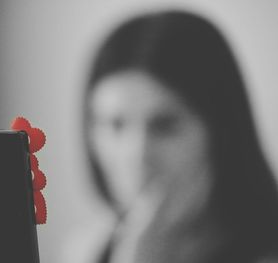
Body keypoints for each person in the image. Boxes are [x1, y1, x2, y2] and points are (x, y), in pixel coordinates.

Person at [63, 10, 278, 263]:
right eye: (115, 125)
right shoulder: (86, 249)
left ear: (222, 132)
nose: (138, 155)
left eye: (164, 125)